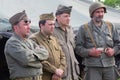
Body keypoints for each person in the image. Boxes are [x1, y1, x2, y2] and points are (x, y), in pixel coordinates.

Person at [75, 2, 120, 80]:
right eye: (98, 12)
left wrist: (114, 50)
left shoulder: (110, 26)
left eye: (102, 12)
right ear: (92, 13)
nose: (100, 14)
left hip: (109, 66)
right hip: (93, 67)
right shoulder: (84, 28)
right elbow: (78, 48)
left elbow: (118, 44)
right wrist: (90, 52)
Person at [4, 10, 49, 80]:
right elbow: (26, 60)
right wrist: (39, 62)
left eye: (29, 24)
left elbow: (46, 53)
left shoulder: (30, 41)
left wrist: (32, 54)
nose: (29, 27)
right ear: (16, 27)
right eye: (25, 24)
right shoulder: (12, 43)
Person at [30, 12, 66, 80]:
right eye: (50, 24)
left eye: (54, 24)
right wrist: (55, 70)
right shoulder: (34, 39)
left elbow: (62, 56)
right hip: (43, 77)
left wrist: (60, 71)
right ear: (41, 25)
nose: (53, 27)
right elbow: (38, 60)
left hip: (57, 77)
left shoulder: (54, 39)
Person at [53, 5, 80, 80]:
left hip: (73, 73)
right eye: (66, 16)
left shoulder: (70, 29)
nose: (68, 19)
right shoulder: (51, 30)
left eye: (69, 16)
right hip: (60, 73)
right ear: (58, 17)